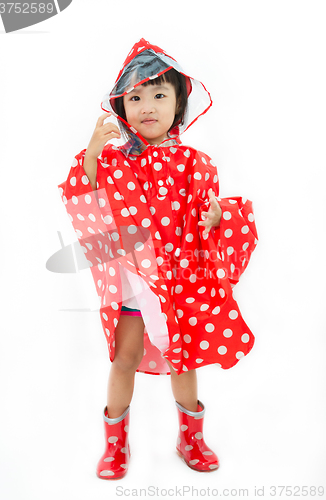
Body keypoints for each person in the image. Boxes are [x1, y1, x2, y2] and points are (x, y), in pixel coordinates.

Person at [58, 38, 258, 480]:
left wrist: (219, 215)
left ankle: (192, 437)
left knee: (183, 360)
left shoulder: (195, 163)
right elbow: (82, 193)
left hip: (180, 282)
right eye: (135, 97)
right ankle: (115, 443)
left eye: (159, 94)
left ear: (179, 103)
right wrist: (92, 150)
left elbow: (213, 214)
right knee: (123, 357)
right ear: (121, 106)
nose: (147, 106)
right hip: (134, 279)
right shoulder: (113, 163)